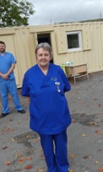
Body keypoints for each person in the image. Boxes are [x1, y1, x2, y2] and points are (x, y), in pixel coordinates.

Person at [21, 42, 71, 172]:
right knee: (47, 148)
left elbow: (65, 88)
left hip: (59, 116)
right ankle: (52, 168)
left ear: (50, 56)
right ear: (36, 56)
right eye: (40, 55)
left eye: (46, 54)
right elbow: (27, 94)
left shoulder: (58, 70)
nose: (43, 57)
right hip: (41, 119)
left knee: (61, 146)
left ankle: (63, 168)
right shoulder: (29, 74)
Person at [0, 41, 25, 118]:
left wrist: (7, 74)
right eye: (0, 46)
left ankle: (19, 108)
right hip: (1, 79)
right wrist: (2, 75)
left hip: (10, 78)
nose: (1, 47)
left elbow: (13, 65)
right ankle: (5, 111)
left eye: (2, 46)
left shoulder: (10, 55)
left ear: (5, 46)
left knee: (14, 94)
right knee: (3, 95)